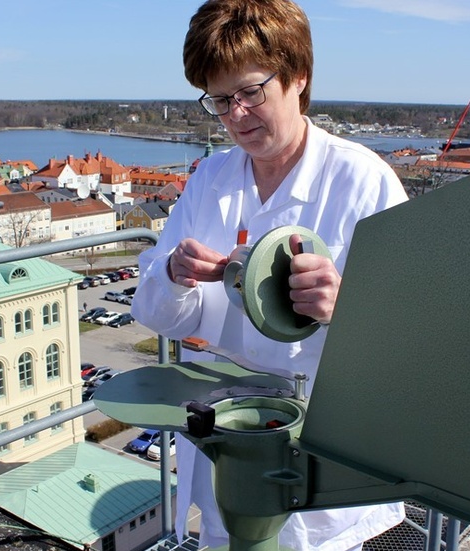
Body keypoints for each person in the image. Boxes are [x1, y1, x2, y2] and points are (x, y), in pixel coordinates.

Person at [130, 1, 407, 549]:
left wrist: (344, 308)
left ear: (298, 77)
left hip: (319, 460)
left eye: (251, 92)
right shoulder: (210, 179)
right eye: (220, 100)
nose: (235, 115)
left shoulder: (363, 183)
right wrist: (174, 273)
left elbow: (415, 340)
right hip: (225, 449)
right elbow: (152, 312)